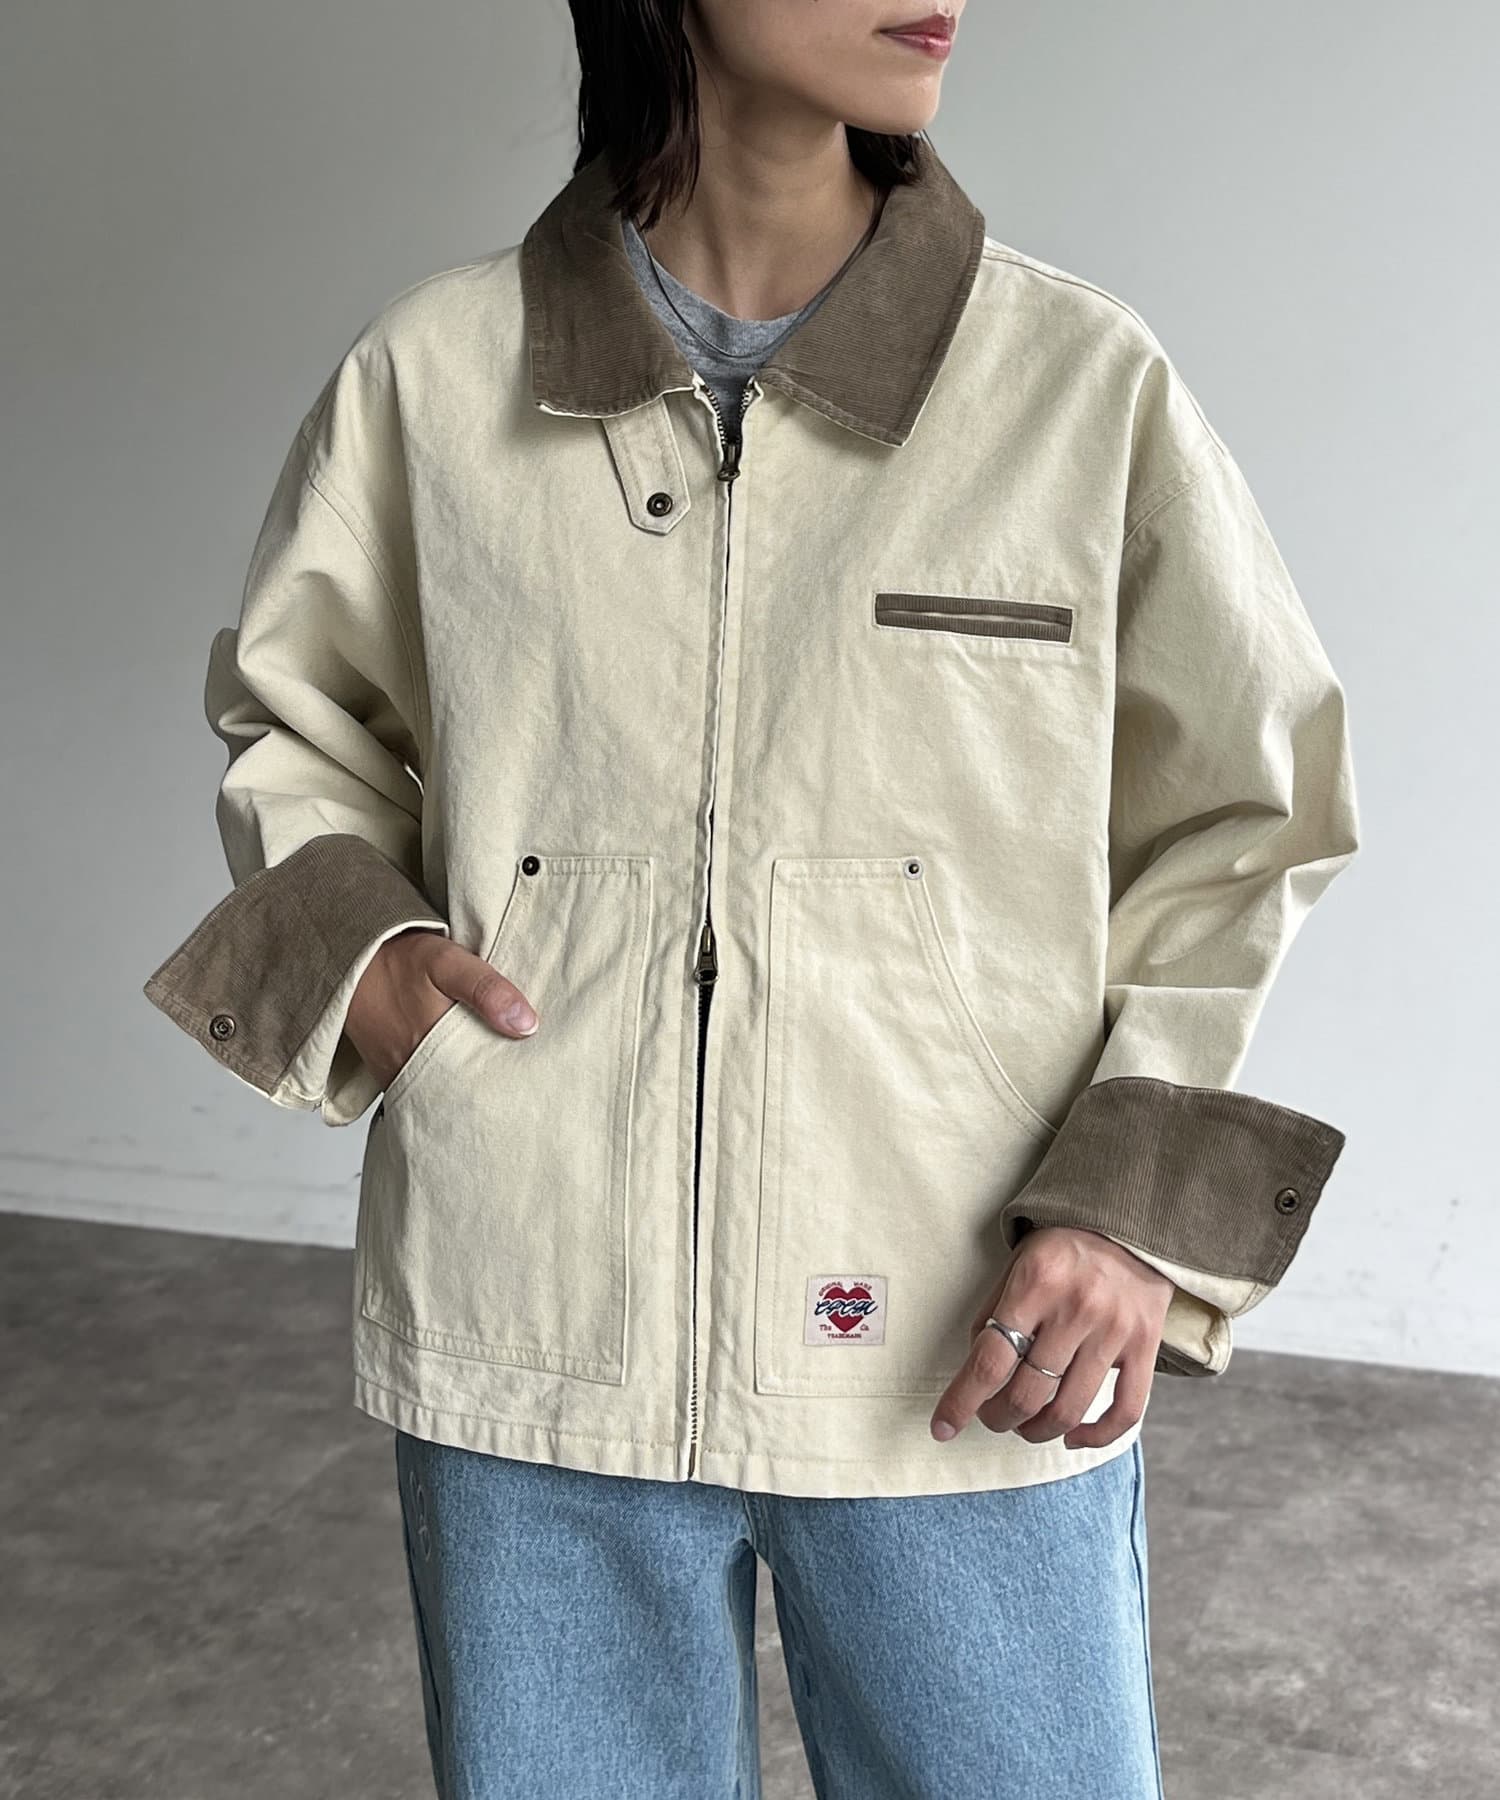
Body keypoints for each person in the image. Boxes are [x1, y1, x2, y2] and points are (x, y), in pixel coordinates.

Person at [142, 2, 1360, 1794]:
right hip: (533, 1304)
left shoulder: (1075, 387)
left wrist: (1129, 1212)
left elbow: (1249, 812)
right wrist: (374, 963)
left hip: (968, 1322)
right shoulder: (437, 373)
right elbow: (295, 717)